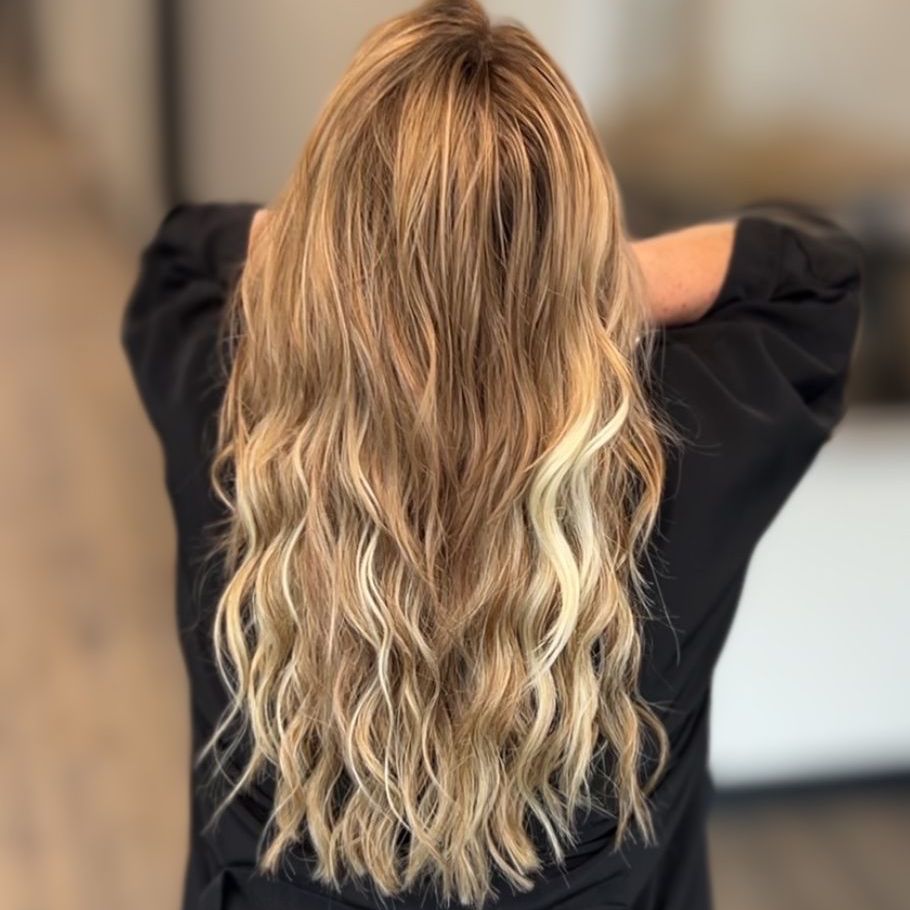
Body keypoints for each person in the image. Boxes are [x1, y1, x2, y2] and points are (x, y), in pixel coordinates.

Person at [120, 2, 863, 908]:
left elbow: (186, 249)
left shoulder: (228, 398)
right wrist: (574, 286)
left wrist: (342, 269)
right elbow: (813, 269)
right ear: (578, 236)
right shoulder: (686, 435)